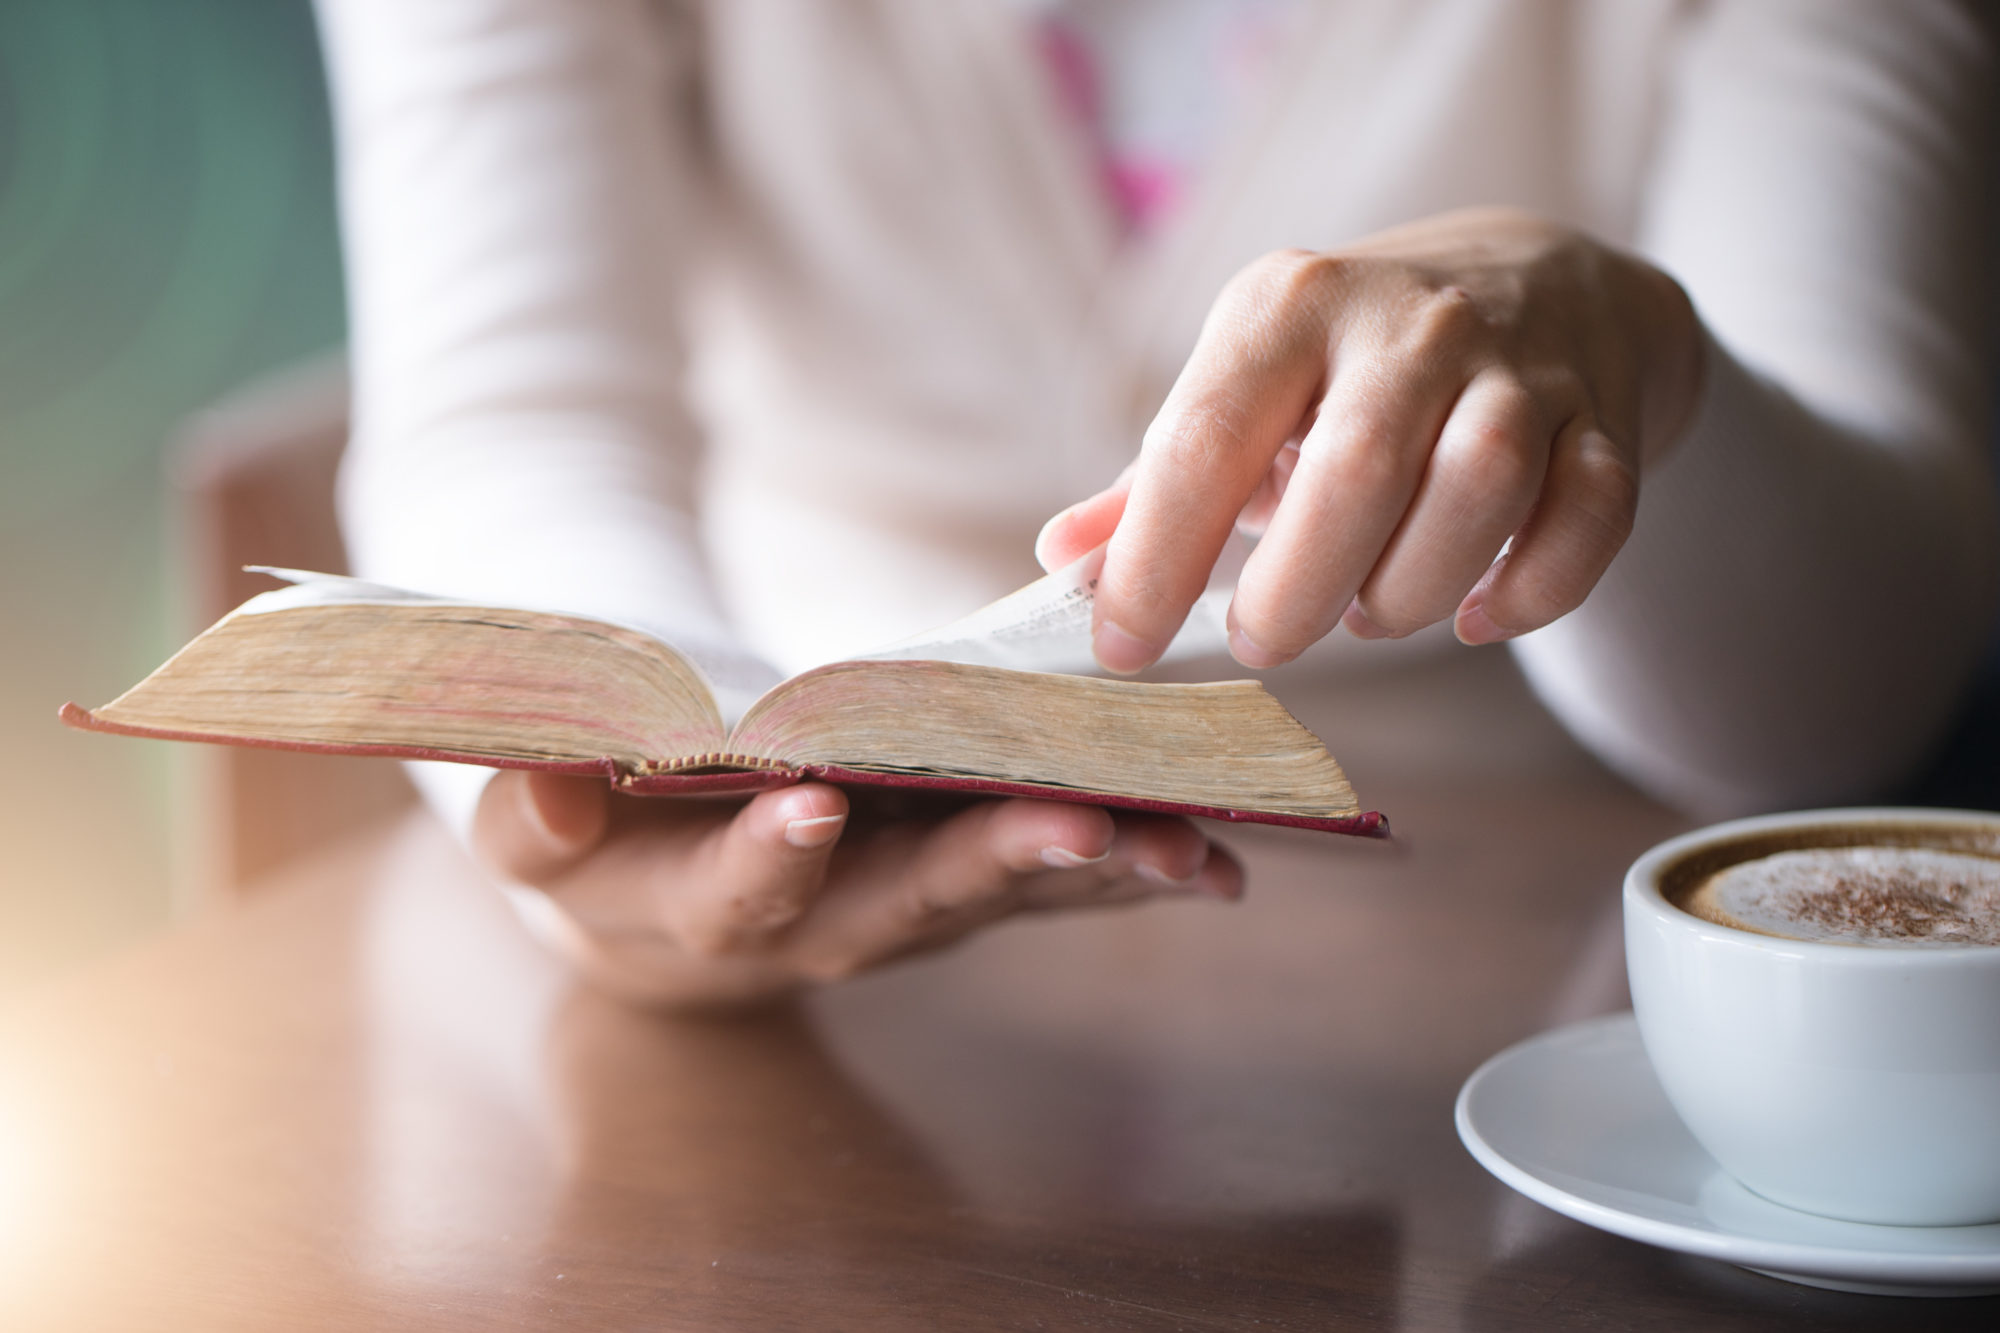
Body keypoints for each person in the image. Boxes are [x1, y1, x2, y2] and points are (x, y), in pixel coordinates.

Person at [314, 0, 1996, 1006]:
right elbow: (511, 427)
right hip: (829, 965)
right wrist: (644, 805)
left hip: (1558, 993)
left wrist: (1638, 356)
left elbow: (1847, 715)